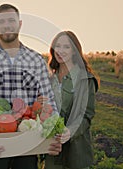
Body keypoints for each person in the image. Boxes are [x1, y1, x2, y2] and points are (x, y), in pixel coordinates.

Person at [0, 3, 62, 169]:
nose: (7, 25)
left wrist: (53, 132)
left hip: (28, 141)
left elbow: (49, 99)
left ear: (20, 23)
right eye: (1, 22)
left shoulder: (35, 59)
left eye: (11, 20)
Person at [39, 31, 99, 169]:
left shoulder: (85, 79)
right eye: (57, 46)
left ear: (74, 51)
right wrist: (40, 104)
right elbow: (45, 112)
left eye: (66, 47)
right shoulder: (49, 79)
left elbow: (86, 115)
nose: (60, 51)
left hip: (76, 151)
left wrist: (70, 131)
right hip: (52, 149)